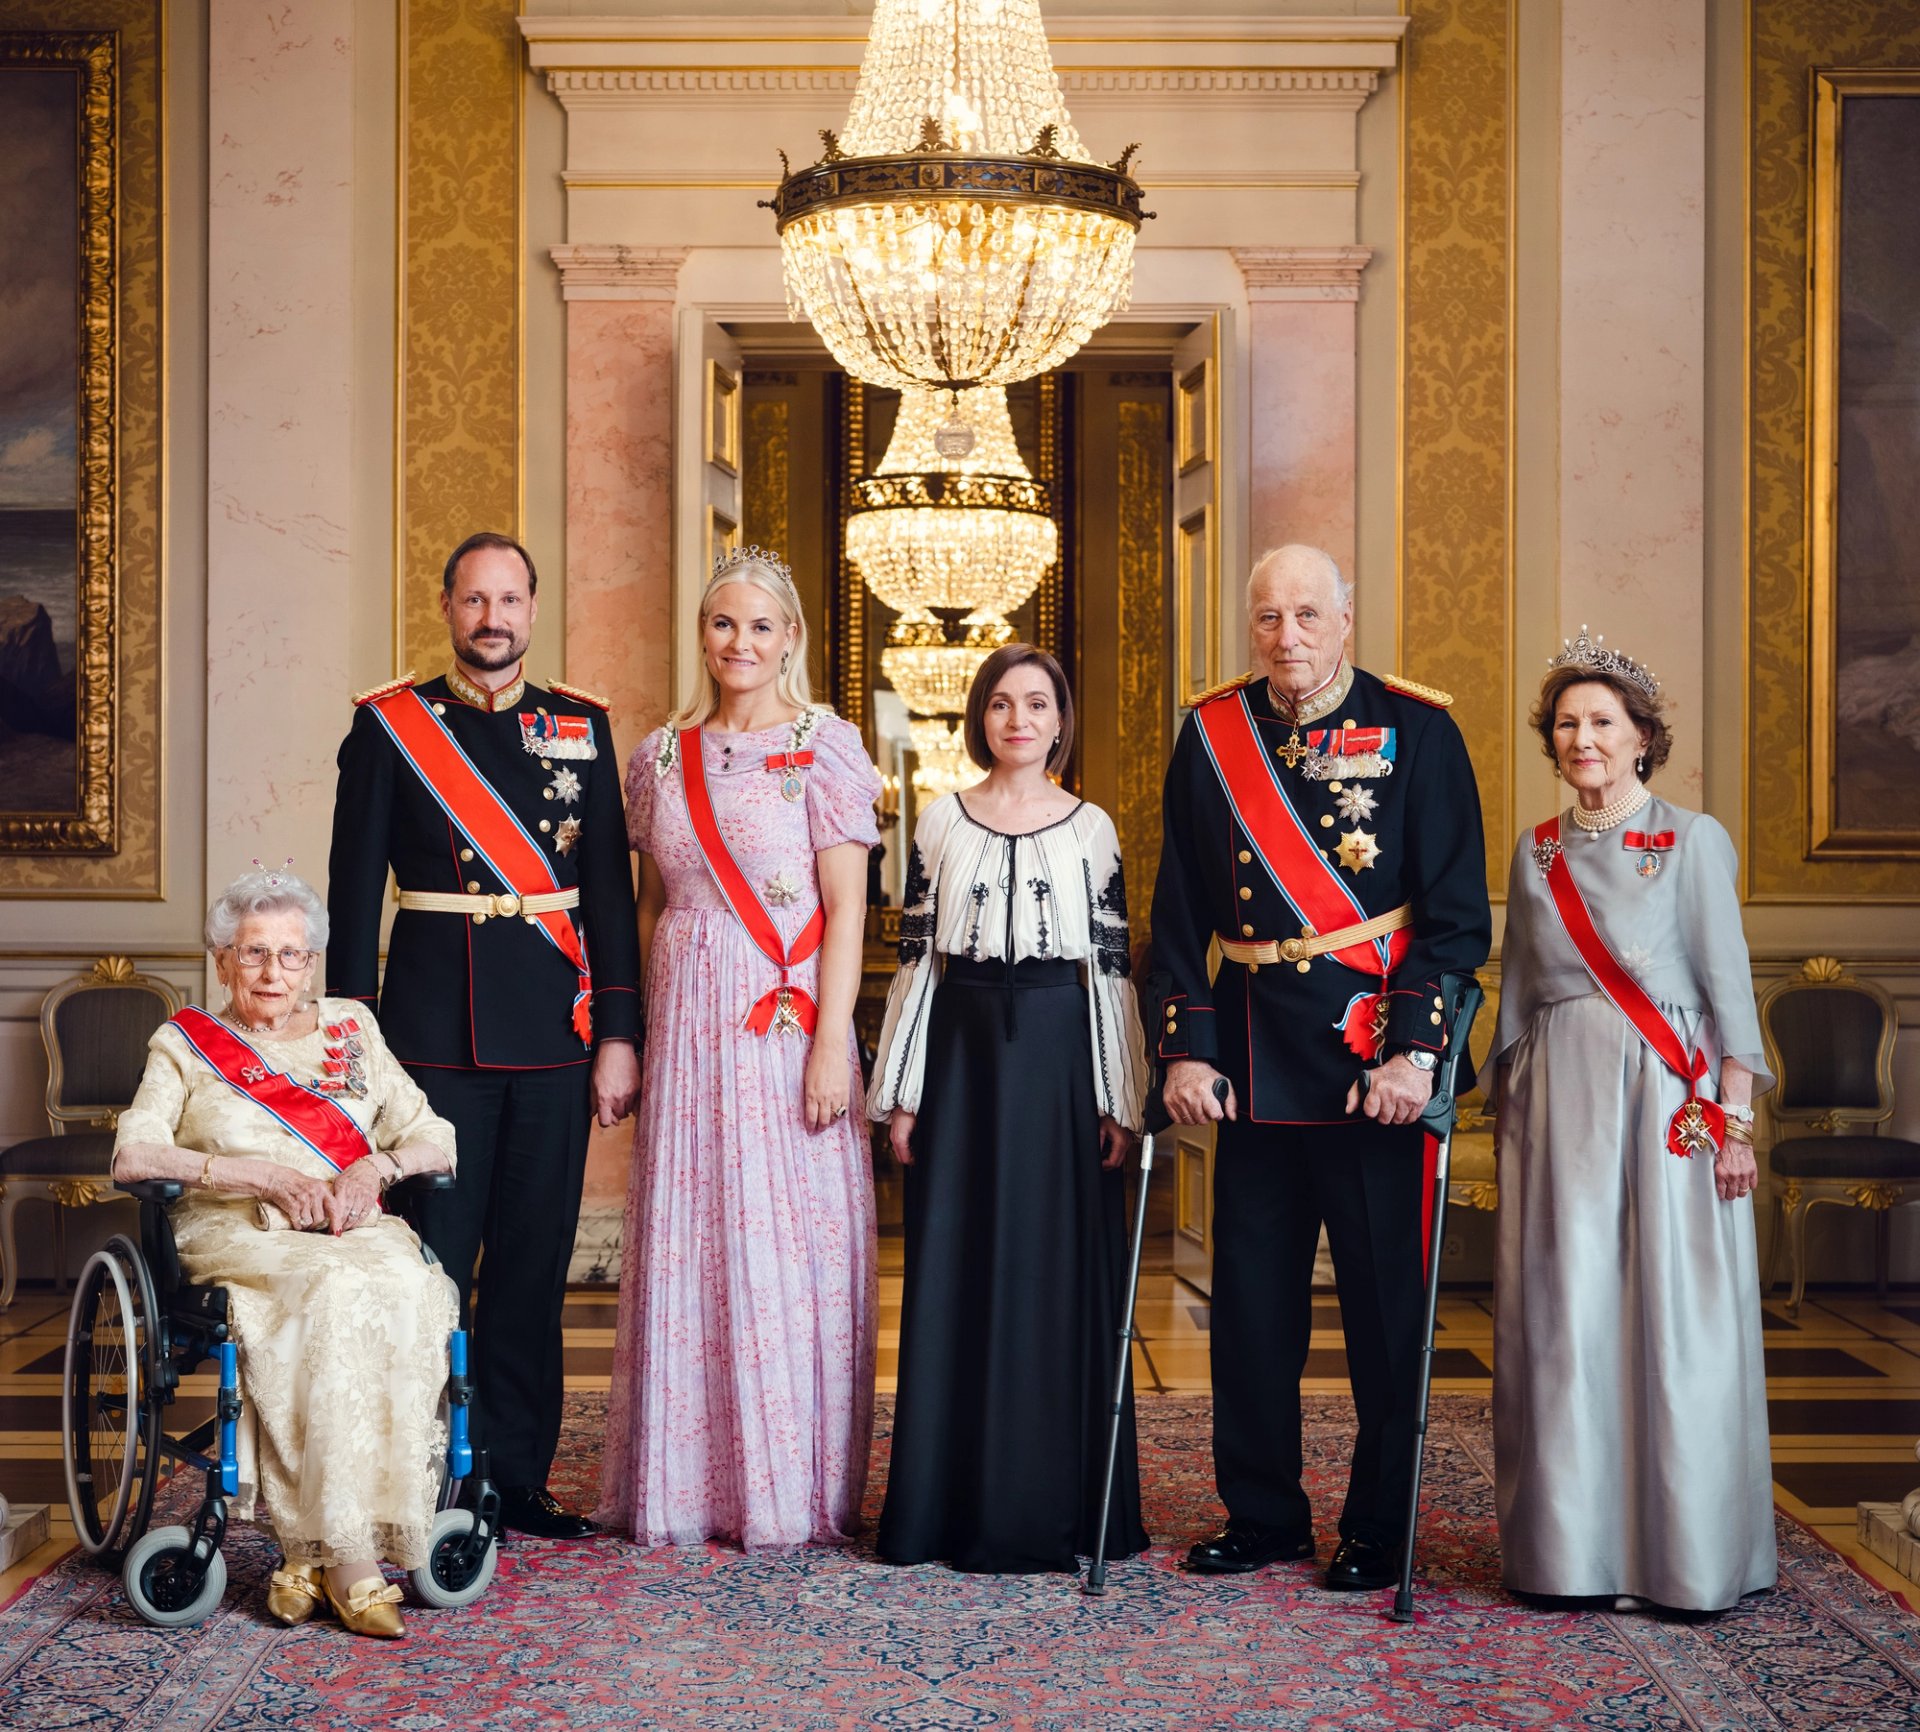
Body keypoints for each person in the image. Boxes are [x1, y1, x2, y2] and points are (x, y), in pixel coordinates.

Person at [1151, 544, 1492, 1590]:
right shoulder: (1212, 733)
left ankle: (1378, 1527)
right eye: (1268, 617)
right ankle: (1263, 1515)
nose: (1287, 636)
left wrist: (1416, 1053)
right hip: (1254, 1069)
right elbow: (1178, 909)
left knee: (1387, 1318)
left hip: (1372, 1068)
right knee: (1251, 1313)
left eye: (1307, 614)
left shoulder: (1418, 729)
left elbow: (1454, 918)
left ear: (1347, 618)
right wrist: (1186, 1046)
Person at [326, 532, 641, 1540]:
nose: (492, 618)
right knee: (428, 1270)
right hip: (431, 1043)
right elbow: (350, 899)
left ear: (533, 610)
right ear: (448, 608)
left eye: (509, 600)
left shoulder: (581, 726)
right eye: (474, 599)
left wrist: (620, 1032)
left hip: (554, 1038)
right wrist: (352, 1049)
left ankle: (515, 1476)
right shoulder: (391, 726)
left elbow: (611, 897)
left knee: (532, 1269)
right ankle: (420, 1476)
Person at [596, 546, 880, 1548]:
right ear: (702, 634)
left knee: (781, 1245)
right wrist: (633, 1033)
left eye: (761, 625)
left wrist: (833, 1045)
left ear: (790, 637)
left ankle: (785, 1486)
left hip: (784, 1022)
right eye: (724, 623)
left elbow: (847, 909)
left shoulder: (826, 746)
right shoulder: (658, 757)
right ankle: (688, 1488)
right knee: (695, 1236)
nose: (740, 642)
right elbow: (647, 906)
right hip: (686, 1021)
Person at [1491, 631, 1775, 1613]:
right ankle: (1570, 1555)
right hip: (1560, 1107)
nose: (1584, 739)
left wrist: (1734, 1126)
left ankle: (1683, 1557)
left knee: (1672, 1314)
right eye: (1568, 723)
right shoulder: (1535, 850)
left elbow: (1728, 992)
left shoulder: (1693, 839)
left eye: (1604, 722)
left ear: (1642, 737)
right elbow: (1518, 997)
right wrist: (1509, 1110)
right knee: (1567, 1314)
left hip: (1668, 1104)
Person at [111, 867, 458, 1638]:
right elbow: (133, 1155)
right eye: (254, 952)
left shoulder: (351, 1029)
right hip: (236, 1229)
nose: (273, 972)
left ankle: (308, 1557)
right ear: (222, 958)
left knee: (412, 1287)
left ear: (312, 963)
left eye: (291, 954)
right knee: (329, 1294)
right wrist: (259, 1176)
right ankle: (349, 1560)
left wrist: (375, 1168)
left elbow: (435, 1135)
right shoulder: (185, 1043)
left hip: (346, 1225)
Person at [869, 644, 1151, 1574]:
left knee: (1057, 1269)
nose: (1018, 719)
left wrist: (1118, 1097)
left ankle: (1061, 1507)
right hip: (962, 1061)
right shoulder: (941, 822)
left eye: (1036, 703)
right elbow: (918, 963)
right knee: (958, 1265)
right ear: (978, 718)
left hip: (1064, 1061)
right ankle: (945, 1510)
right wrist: (904, 1096)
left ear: (1060, 719)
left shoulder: (1093, 829)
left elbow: (1110, 969)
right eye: (1000, 703)